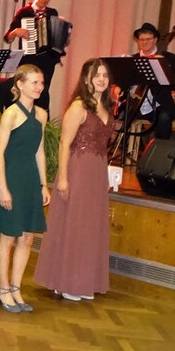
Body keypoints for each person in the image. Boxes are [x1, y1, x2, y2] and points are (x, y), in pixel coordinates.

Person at [34, 59, 115, 301]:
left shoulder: (106, 106)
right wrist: (63, 178)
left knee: (91, 227)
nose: (101, 79)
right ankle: (66, 281)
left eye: (105, 75)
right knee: (75, 224)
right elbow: (64, 143)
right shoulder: (79, 106)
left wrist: (106, 175)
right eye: (96, 75)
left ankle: (84, 281)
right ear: (86, 78)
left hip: (97, 171)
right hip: (78, 169)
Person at [0, 64, 50, 313]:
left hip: (30, 180)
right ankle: (3, 289)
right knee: (9, 237)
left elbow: (39, 152)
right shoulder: (10, 113)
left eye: (41, 83)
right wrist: (3, 188)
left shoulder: (41, 115)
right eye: (34, 83)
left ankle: (16, 288)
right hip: (11, 179)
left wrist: (43, 184)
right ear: (20, 84)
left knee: (27, 238)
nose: (39, 87)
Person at [3, 0, 63, 110]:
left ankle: (43, 118)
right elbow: (7, 38)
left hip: (47, 60)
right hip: (29, 59)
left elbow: (56, 36)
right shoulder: (24, 12)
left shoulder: (52, 13)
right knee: (27, 90)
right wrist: (16, 32)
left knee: (43, 92)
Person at [130, 22, 175, 142]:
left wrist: (164, 68)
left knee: (164, 117)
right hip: (135, 105)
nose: (144, 42)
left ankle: (159, 149)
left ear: (155, 40)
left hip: (158, 106)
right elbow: (124, 84)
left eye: (148, 39)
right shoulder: (132, 59)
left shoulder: (168, 58)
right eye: (141, 39)